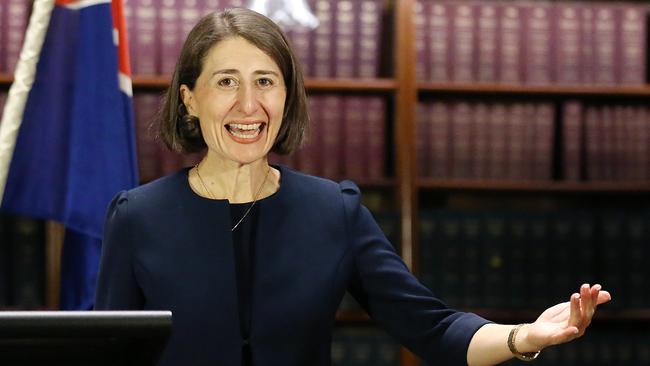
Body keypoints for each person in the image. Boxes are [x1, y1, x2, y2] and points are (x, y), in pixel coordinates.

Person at [94, 7, 611, 366]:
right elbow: (105, 355)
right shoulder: (137, 217)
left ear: (287, 95)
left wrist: (526, 337)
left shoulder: (332, 211)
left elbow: (432, 329)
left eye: (266, 81)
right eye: (226, 81)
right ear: (189, 99)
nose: (248, 105)